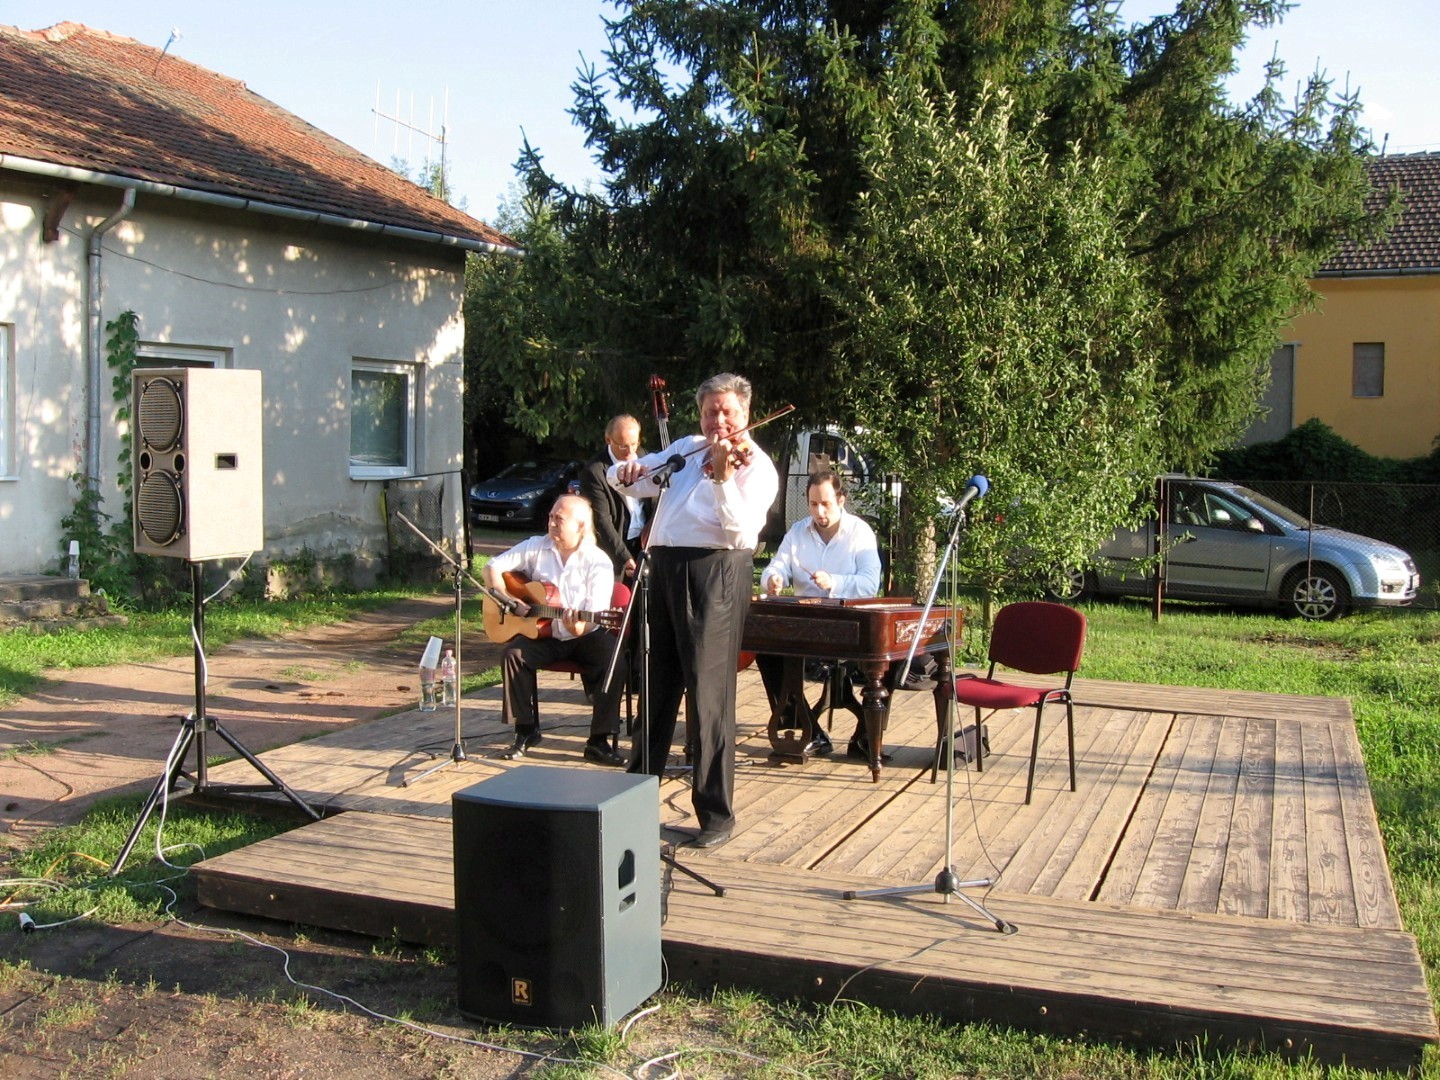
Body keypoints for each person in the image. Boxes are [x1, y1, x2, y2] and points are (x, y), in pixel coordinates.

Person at [608, 372, 779, 849]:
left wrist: (723, 480)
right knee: (655, 688)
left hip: (715, 572)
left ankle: (716, 815)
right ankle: (633, 803)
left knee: (708, 696)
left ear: (745, 413)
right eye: (710, 412)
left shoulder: (757, 468)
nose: (718, 420)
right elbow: (633, 482)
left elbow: (741, 534)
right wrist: (624, 474)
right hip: (663, 570)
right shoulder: (685, 448)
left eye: (727, 412)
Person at [483, 495, 626, 766]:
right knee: (513, 655)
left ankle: (599, 741)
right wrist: (507, 599)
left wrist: (578, 624)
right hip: (545, 634)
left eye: (558, 519)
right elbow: (492, 566)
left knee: (613, 660)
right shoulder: (536, 547)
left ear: (580, 526)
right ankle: (525, 730)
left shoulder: (598, 561)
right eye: (550, 517)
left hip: (585, 635)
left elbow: (592, 619)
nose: (551, 523)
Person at [757, 470, 883, 759]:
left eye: (825, 504)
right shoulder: (798, 532)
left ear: (841, 500)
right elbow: (776, 566)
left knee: (886, 656)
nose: (819, 512)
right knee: (767, 650)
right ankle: (808, 730)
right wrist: (773, 579)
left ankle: (865, 736)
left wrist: (834, 581)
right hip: (807, 625)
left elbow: (869, 584)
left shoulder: (860, 532)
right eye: (813, 504)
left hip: (850, 626)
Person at [579, 414, 651, 581]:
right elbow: (602, 521)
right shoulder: (594, 471)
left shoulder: (644, 457)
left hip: (644, 542)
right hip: (615, 547)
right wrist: (624, 557)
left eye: (634, 444)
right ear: (608, 440)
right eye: (623, 446)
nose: (630, 451)